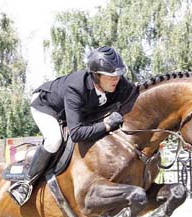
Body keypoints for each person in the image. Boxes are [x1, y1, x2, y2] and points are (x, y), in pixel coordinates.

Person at [8, 46, 138, 206]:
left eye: (118, 75)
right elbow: (76, 133)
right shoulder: (76, 88)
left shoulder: (117, 83)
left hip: (78, 109)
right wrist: (106, 125)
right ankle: (26, 183)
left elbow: (135, 97)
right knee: (54, 139)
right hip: (46, 106)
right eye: (110, 76)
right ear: (96, 76)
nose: (116, 80)